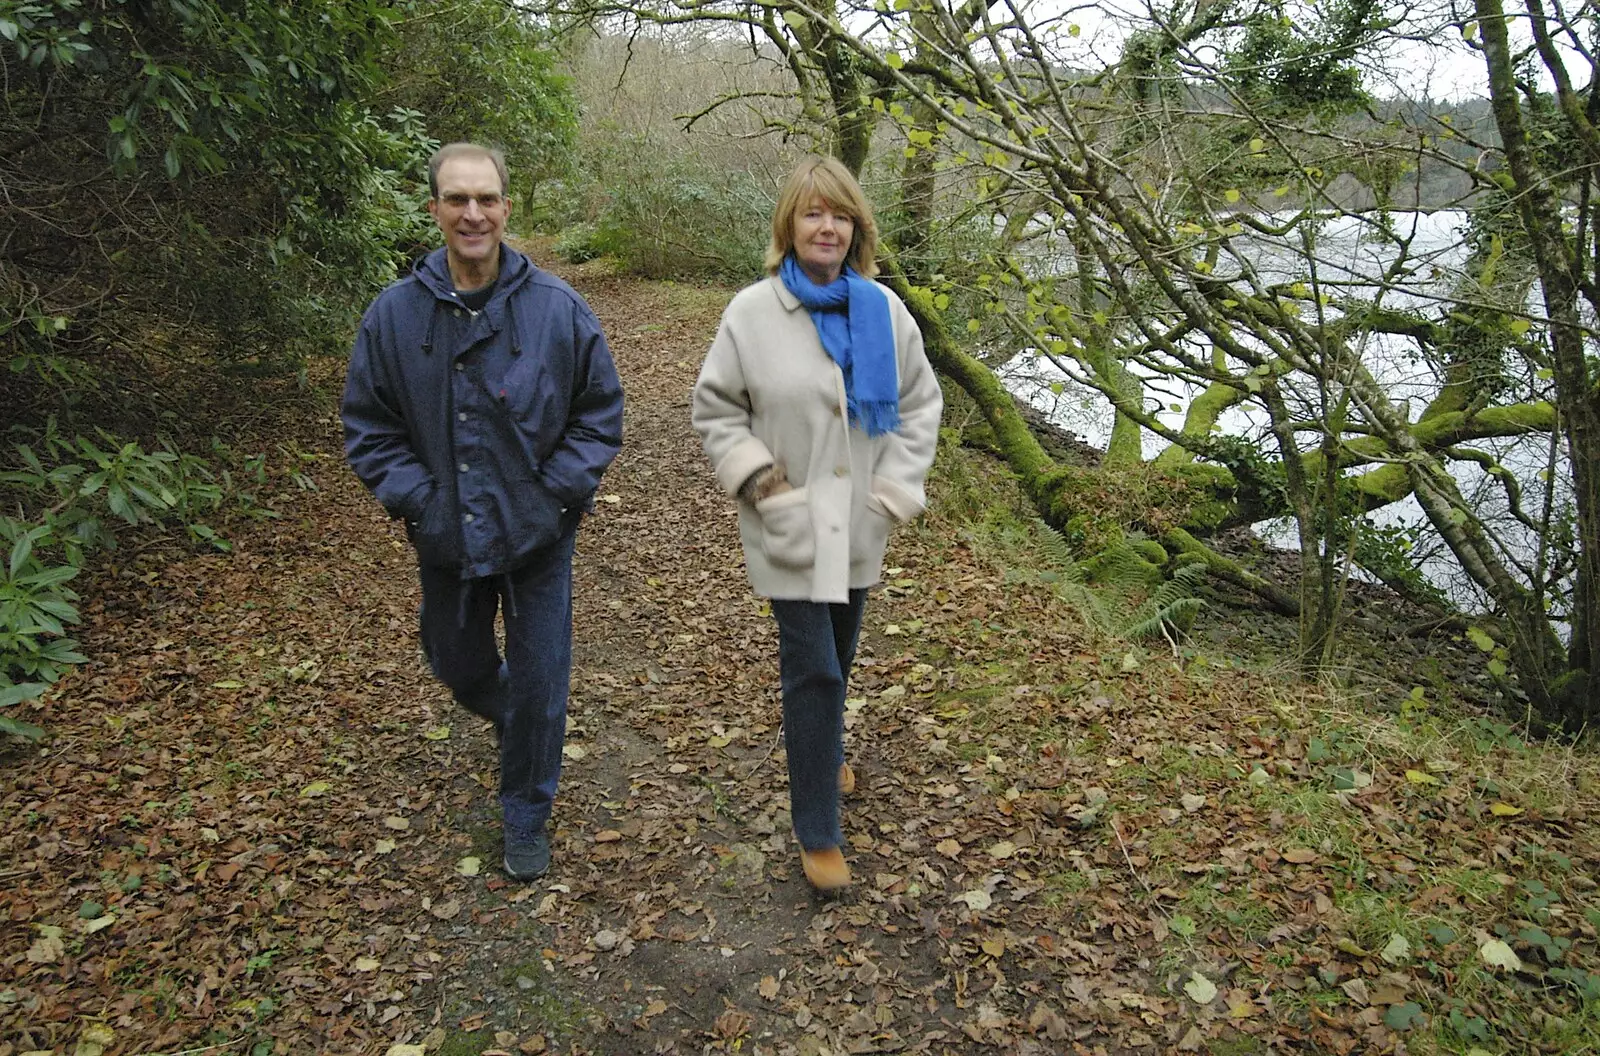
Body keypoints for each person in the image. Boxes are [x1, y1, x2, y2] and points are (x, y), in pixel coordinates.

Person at [341, 143, 624, 881]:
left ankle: (526, 811)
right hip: (445, 534)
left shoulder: (558, 311)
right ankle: (511, 719)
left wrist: (554, 493)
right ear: (433, 208)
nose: (473, 213)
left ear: (506, 207)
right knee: (455, 658)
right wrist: (419, 501)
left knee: (540, 679)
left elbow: (599, 415)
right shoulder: (394, 317)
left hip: (539, 536)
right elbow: (369, 427)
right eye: (457, 199)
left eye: (487, 199)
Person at [691, 156, 942, 892]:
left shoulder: (885, 312)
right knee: (814, 672)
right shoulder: (752, 313)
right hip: (790, 525)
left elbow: (921, 404)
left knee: (841, 652)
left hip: (861, 523)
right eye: (811, 213)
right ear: (789, 228)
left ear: (856, 228)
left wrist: (895, 488)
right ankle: (818, 829)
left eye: (838, 214)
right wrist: (765, 486)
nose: (825, 226)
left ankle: (822, 750)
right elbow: (716, 409)